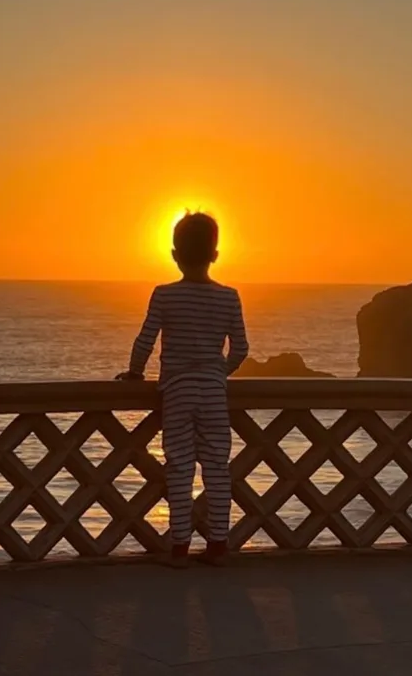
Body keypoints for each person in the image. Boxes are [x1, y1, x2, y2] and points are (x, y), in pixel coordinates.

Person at [116, 212, 249, 567]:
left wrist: (134, 372)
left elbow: (146, 339)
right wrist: (219, 372)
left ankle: (179, 548)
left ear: (174, 253)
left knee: (180, 468)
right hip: (214, 393)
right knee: (217, 468)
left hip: (176, 390)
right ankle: (218, 545)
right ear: (216, 254)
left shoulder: (164, 295)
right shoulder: (229, 297)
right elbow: (240, 349)